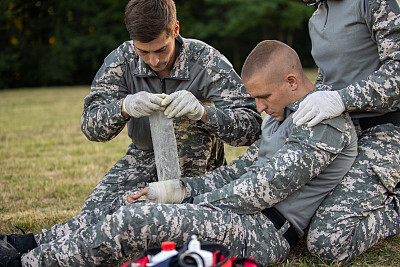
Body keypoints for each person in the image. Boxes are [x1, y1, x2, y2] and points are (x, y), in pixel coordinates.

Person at [0, 40, 357, 267]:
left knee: (136, 220)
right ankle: (27, 243)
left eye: (263, 97)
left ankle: (28, 263)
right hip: (241, 214)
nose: (259, 108)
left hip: (264, 231)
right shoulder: (282, 117)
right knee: (129, 202)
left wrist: (185, 204)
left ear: (291, 82)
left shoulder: (323, 122)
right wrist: (175, 190)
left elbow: (265, 187)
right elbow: (240, 171)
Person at [79, 0, 262, 216]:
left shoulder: (207, 61)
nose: (154, 61)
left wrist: (203, 114)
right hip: (145, 155)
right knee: (93, 215)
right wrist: (123, 107)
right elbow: (90, 125)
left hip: (198, 163)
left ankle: (181, 203)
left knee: (178, 218)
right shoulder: (122, 61)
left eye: (161, 49)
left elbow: (251, 126)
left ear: (175, 29)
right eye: (143, 52)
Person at [293, 0, 400, 262]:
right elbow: (328, 79)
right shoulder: (316, 19)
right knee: (299, 215)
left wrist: (342, 100)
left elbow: (397, 73)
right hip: (345, 134)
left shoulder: (373, 2)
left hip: (387, 131)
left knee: (329, 241)